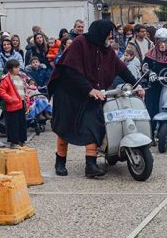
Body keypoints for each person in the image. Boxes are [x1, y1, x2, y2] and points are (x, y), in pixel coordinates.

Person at [48, 20, 144, 177]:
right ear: (100, 33)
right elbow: (70, 71)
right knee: (65, 127)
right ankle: (60, 162)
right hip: (68, 92)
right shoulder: (80, 43)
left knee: (93, 123)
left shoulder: (106, 49)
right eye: (109, 34)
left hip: (91, 93)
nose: (111, 37)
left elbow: (121, 68)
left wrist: (136, 85)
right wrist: (90, 89)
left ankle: (91, 164)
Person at [0, 59, 27, 147]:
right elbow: (1, 90)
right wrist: (10, 99)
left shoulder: (20, 77)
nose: (18, 69)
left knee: (22, 122)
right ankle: (14, 142)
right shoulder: (6, 78)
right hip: (12, 104)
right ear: (10, 68)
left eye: (18, 67)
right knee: (13, 123)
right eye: (15, 67)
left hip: (21, 102)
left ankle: (21, 140)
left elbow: (24, 89)